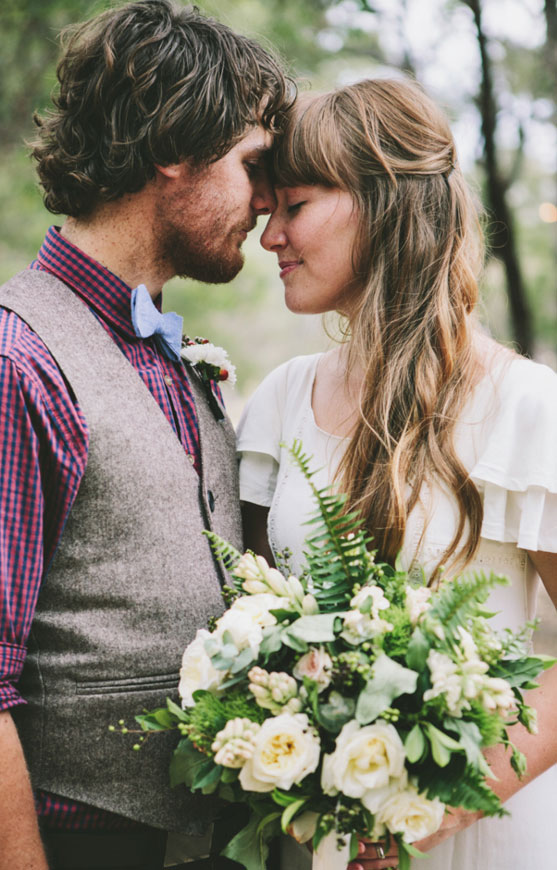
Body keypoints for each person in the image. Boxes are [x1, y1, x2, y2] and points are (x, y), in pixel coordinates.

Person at [0, 2, 292, 869]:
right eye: (253, 165)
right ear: (173, 145)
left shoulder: (175, 355)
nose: (265, 202)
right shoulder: (4, 360)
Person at [237, 78, 557, 870]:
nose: (269, 236)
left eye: (294, 206)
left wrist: (441, 807)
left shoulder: (526, 407)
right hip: (316, 837)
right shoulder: (281, 400)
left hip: (478, 833)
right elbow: (249, 618)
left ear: (383, 207)